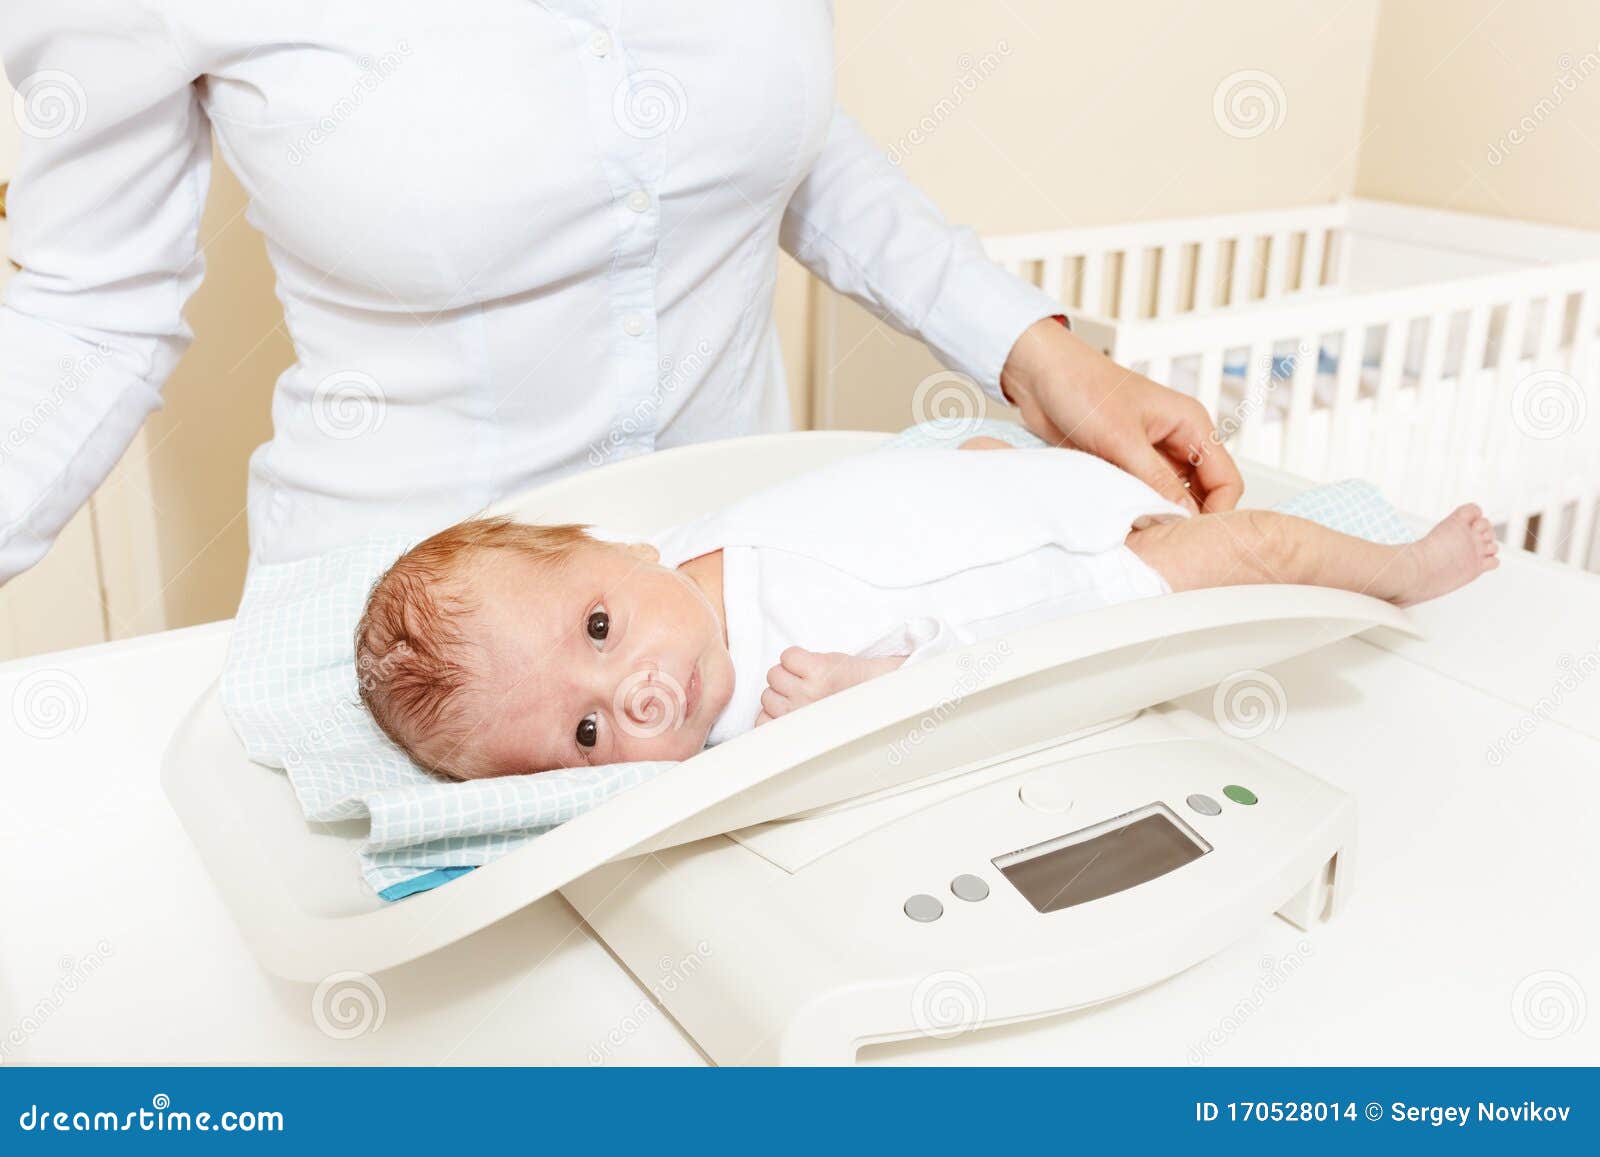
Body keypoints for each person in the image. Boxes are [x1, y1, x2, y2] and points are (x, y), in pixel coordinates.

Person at [0, 4, 1239, 587]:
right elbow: (86, 309)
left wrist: (1034, 350)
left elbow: (774, 143)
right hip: (407, 634)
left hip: (744, 585)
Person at [353, 438, 1496, 779]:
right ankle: (1402, 571)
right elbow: (943, 677)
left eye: (598, 631)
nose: (637, 685)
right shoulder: (757, 707)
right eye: (588, 730)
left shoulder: (687, 547)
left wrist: (967, 463)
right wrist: (862, 693)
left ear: (617, 549)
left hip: (1022, 491)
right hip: (1084, 583)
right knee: (1258, 541)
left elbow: (841, 497)